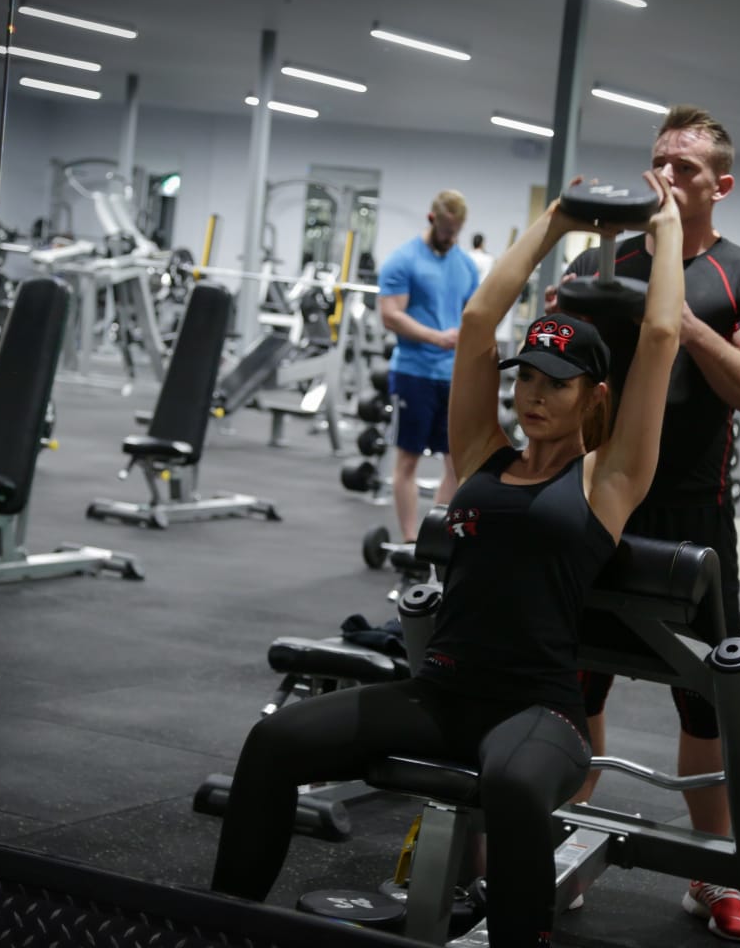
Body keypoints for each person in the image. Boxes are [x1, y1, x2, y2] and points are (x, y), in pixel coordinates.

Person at [211, 173, 686, 948]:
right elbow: (476, 320)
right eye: (526, 377)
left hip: (539, 714)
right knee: (274, 743)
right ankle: (224, 925)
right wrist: (553, 221)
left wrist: (665, 229)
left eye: (557, 384)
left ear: (594, 396)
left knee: (511, 786)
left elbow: (661, 338)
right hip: (437, 697)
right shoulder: (482, 455)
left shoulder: (608, 479)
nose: (533, 395)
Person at [551, 105, 740, 943]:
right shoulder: (601, 260)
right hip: (598, 502)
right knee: (573, 682)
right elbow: (551, 372)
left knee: (708, 703)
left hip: (695, 517)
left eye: (684, 167)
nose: (665, 176)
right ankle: (553, 845)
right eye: (658, 161)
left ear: (721, 186)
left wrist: (680, 321)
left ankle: (711, 870)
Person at [377, 190, 479, 543]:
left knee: (454, 463)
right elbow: (390, 315)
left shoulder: (466, 266)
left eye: (456, 232)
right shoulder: (403, 259)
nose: (450, 238)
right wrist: (436, 337)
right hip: (413, 373)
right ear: (432, 219)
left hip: (453, 376)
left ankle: (432, 539)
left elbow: (474, 315)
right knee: (408, 461)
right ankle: (409, 540)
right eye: (446, 230)